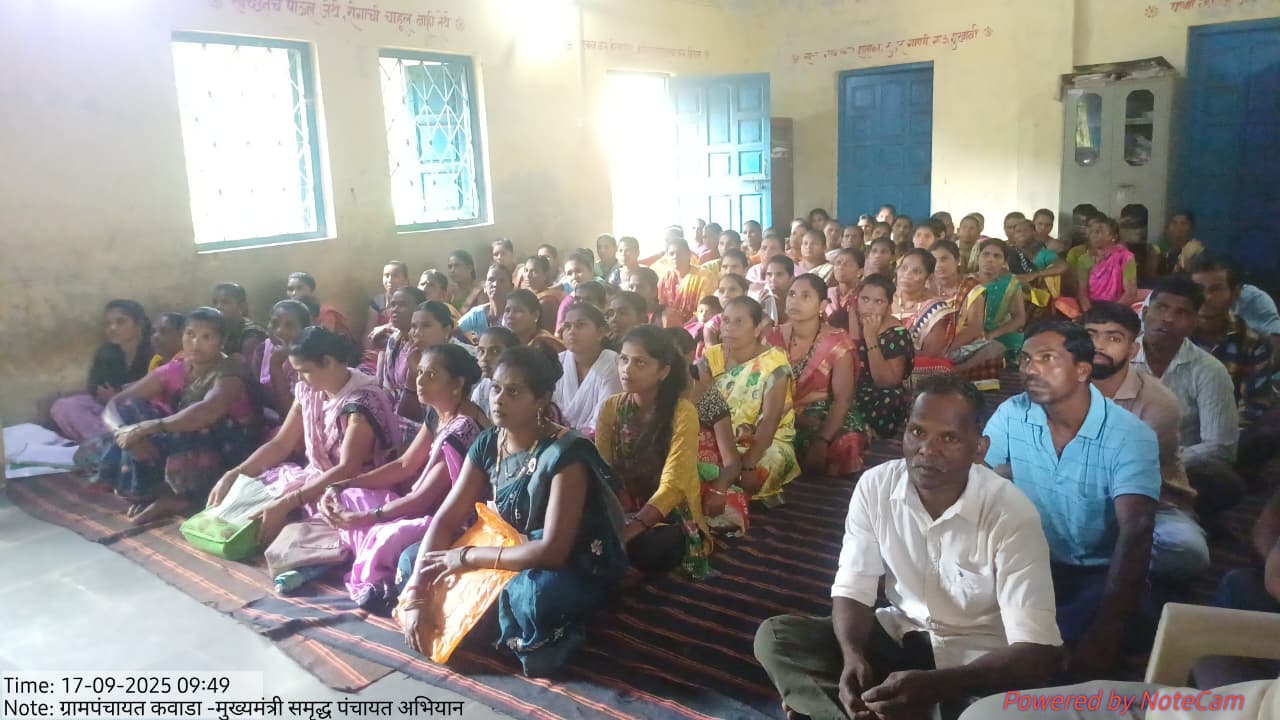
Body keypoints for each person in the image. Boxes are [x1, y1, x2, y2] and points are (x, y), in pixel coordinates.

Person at [756, 377, 1063, 720]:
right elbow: (853, 587)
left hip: (974, 666)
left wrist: (937, 686)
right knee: (777, 638)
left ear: (979, 448)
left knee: (986, 713)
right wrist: (852, 656)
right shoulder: (876, 486)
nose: (927, 449)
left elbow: (1037, 652)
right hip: (901, 634)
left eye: (948, 438)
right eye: (917, 432)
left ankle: (845, 708)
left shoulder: (1011, 514)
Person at [395, 346, 629, 676]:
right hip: (503, 549)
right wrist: (417, 594)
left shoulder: (566, 454)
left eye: (514, 391)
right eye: (496, 388)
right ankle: (488, 622)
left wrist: (467, 558)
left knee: (534, 597)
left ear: (542, 399)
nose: (499, 400)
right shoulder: (490, 442)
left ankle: (523, 624)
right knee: (413, 560)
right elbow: (446, 519)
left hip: (562, 563)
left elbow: (552, 551)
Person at [984, 322, 1159, 677]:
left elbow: (1136, 533)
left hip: (1097, 569)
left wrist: (1106, 632)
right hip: (1031, 558)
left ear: (1082, 370)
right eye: (1025, 359)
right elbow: (980, 485)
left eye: (1047, 358)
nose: (1031, 369)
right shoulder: (1012, 413)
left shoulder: (1129, 435)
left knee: (1050, 642)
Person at [316, 344, 488, 608]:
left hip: (449, 523)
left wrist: (365, 518)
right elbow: (405, 464)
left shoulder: (464, 430)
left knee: (390, 536)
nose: (420, 380)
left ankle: (374, 575)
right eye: (420, 372)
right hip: (421, 510)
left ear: (457, 384)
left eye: (431, 375)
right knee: (349, 497)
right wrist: (343, 484)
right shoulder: (439, 412)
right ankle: (366, 549)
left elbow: (422, 500)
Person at [207, 327, 397, 547]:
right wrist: (235, 474)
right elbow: (280, 444)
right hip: (316, 478)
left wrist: (289, 502)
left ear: (327, 362)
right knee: (242, 502)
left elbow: (347, 468)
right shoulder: (308, 392)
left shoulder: (362, 402)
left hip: (349, 488)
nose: (299, 378)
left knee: (288, 534)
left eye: (304, 371)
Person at [99, 307, 262, 524]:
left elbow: (207, 411)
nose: (196, 343)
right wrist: (124, 433)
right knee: (131, 410)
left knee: (191, 425)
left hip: (232, 450)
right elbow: (116, 403)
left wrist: (145, 428)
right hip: (189, 442)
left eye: (206, 337)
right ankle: (151, 493)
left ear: (222, 341)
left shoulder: (230, 372)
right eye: (190, 334)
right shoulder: (177, 368)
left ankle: (185, 499)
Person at [1082, 302, 1208, 581]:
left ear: (1133, 349)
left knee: (1187, 551)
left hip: (1150, 504)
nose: (1098, 346)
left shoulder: (1158, 402)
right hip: (1067, 495)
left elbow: (1120, 476)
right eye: (1090, 335)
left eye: (1113, 338)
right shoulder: (1061, 387)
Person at [595, 326, 712, 577]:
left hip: (667, 514)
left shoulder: (683, 413)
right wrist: (617, 513)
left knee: (651, 548)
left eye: (640, 363)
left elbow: (673, 485)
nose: (627, 369)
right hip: (621, 506)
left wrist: (633, 527)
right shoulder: (610, 408)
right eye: (623, 359)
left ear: (663, 372)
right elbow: (602, 470)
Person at [1132, 276, 1243, 526]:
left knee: (1222, 482)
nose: (1168, 319)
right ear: (1146, 313)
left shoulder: (1210, 371)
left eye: (1181, 313)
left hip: (1179, 469)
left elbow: (1220, 446)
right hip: (1114, 462)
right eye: (1161, 308)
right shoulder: (1118, 358)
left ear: (1193, 323)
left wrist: (1163, 462)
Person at [698, 296, 800, 503]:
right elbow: (702, 406)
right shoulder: (711, 357)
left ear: (756, 329)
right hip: (720, 436)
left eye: (739, 322)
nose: (729, 328)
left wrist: (749, 464)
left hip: (765, 441)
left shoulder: (774, 363)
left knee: (770, 462)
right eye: (726, 321)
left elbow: (770, 420)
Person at [768, 274, 866, 475]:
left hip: (820, 412)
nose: (795, 301)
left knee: (846, 443)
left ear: (822, 305)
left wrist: (822, 440)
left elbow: (842, 399)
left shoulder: (838, 342)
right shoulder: (771, 337)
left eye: (805, 296)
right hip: (778, 409)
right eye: (792, 294)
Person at [52, 300, 155, 442]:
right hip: (109, 411)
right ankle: (106, 441)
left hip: (140, 411)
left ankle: (115, 442)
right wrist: (103, 396)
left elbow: (157, 389)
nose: (113, 328)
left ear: (139, 324)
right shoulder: (106, 352)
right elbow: (94, 386)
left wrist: (119, 397)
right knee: (63, 406)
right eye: (107, 324)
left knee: (132, 408)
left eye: (121, 322)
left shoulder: (154, 351)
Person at [1188, 255, 1276, 419]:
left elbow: (1253, 408)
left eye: (1216, 289)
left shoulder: (1254, 344)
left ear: (1235, 294)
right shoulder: (1173, 336)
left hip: (1230, 429)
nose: (1206, 298)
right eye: (1197, 290)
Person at [851, 275, 914, 438]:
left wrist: (871, 338)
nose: (869, 307)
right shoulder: (849, 318)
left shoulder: (896, 334)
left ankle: (861, 430)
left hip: (877, 395)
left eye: (878, 302)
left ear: (888, 306)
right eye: (865, 299)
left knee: (891, 397)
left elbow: (886, 382)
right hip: (848, 388)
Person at [932, 241, 1008, 374]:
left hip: (959, 346)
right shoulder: (926, 287)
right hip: (930, 346)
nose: (939, 265)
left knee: (994, 348)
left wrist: (944, 348)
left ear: (958, 261)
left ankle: (950, 371)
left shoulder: (971, 288)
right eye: (934, 260)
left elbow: (974, 329)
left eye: (944, 259)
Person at [553, 303, 621, 438]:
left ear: (601, 332)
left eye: (580, 325)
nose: (572, 331)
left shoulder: (612, 363)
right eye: (567, 326)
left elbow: (604, 420)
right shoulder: (558, 361)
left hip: (595, 443)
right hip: (553, 439)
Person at [376, 287, 428, 447]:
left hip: (419, 413)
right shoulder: (394, 340)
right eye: (393, 305)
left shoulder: (425, 345)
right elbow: (388, 386)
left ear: (418, 309)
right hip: (395, 409)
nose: (395, 310)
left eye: (403, 305)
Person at [891, 248, 956, 358]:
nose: (907, 275)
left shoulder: (935, 310)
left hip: (918, 366)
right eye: (904, 268)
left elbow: (930, 356)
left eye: (916, 271)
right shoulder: (885, 300)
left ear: (928, 277)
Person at [1071, 216, 1138, 315]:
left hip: (1118, 309)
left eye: (1099, 232)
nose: (1094, 235)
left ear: (1113, 237)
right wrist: (1090, 314)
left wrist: (1109, 314)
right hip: (1092, 310)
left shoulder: (1126, 257)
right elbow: (1082, 294)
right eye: (1092, 232)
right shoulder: (1084, 259)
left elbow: (1130, 293)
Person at [974, 239, 1028, 362]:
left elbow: (1020, 318)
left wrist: (991, 335)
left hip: (1001, 335)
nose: (990, 259)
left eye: (997, 256)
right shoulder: (967, 282)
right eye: (985, 254)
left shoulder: (1010, 283)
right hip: (970, 336)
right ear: (978, 258)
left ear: (1004, 262)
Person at [257, 299, 312, 417]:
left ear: (304, 330)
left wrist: (275, 365)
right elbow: (256, 396)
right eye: (274, 323)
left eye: (289, 325)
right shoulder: (262, 350)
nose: (279, 330)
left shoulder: (309, 361)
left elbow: (291, 413)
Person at [658, 239, 716, 325]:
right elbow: (660, 306)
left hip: (696, 325)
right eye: (671, 254)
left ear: (689, 254)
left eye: (680, 253)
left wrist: (684, 327)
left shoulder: (705, 276)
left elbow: (704, 310)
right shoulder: (665, 278)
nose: (675, 257)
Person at [286, 272, 352, 339]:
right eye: (290, 289)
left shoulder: (326, 314)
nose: (294, 293)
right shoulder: (289, 315)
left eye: (299, 288)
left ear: (312, 291)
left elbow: (324, 341)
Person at [471, 326, 519, 417]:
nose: (484, 358)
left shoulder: (521, 388)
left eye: (495, 351)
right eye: (481, 351)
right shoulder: (482, 387)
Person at [211, 282, 266, 362]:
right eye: (215, 302)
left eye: (225, 302)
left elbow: (249, 368)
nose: (218, 307)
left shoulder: (252, 335)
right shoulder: (217, 329)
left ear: (242, 307)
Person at [502, 288, 566, 355]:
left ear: (535, 315)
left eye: (518, 311)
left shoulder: (547, 345)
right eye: (507, 310)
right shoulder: (504, 342)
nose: (510, 316)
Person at [458, 264, 513, 339]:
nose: (495, 284)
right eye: (491, 280)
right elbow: (454, 332)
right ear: (484, 287)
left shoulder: (513, 316)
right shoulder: (476, 314)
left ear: (511, 287)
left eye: (501, 281)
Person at [1009, 219, 1068, 288]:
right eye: (1018, 231)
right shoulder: (1009, 252)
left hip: (1037, 291)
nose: (1022, 234)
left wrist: (1035, 274)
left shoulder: (1043, 254)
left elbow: (1063, 266)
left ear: (1034, 233)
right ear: (1013, 236)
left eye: (1026, 230)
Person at [367, 261, 409, 347]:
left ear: (406, 281)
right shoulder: (377, 301)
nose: (389, 280)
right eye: (386, 275)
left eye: (395, 276)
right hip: (379, 348)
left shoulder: (411, 301)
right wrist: (367, 352)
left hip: (402, 347)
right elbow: (369, 331)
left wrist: (386, 328)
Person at [519, 255, 565, 333]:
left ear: (545, 275)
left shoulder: (547, 301)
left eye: (534, 271)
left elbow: (546, 332)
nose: (528, 275)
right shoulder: (526, 295)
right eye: (526, 270)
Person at [703, 274, 750, 347]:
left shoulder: (759, 320)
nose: (726, 295)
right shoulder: (712, 327)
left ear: (745, 293)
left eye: (732, 289)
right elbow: (713, 353)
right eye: (721, 291)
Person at [1152, 211, 1205, 276]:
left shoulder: (1195, 249)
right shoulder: (1158, 249)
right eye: (1174, 223)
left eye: (1183, 224)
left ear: (1190, 229)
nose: (1178, 227)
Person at [826, 247, 864, 331]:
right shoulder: (827, 293)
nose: (841, 267)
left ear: (860, 271)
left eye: (848, 264)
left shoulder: (864, 295)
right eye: (838, 263)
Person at [556, 251, 596, 328]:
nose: (574, 277)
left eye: (578, 271)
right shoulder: (567, 303)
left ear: (591, 270)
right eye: (569, 273)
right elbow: (559, 332)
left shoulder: (605, 293)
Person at [755, 254, 795, 326]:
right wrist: (758, 310)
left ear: (791, 278)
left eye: (779, 274)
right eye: (769, 274)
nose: (772, 279)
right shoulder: (763, 298)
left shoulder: (798, 298)